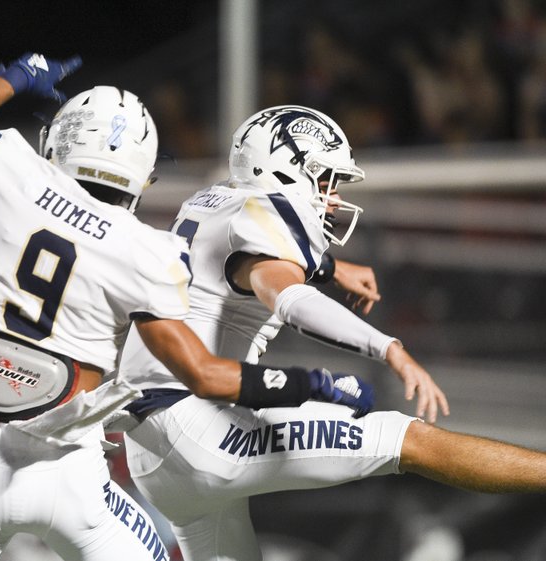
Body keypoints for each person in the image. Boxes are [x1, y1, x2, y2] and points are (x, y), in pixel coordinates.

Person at [0, 55, 377, 561]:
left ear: (55, 143)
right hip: (73, 471)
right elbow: (205, 376)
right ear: (142, 176)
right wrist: (315, 385)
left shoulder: (6, 181)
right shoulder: (146, 251)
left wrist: (14, 77)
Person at [117, 105, 546, 561]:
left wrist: (334, 268)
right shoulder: (266, 209)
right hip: (197, 431)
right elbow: (288, 296)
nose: (335, 199)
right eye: (326, 182)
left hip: (150, 449)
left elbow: (248, 262)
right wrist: (389, 348)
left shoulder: (214, 200)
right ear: (284, 172)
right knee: (409, 439)